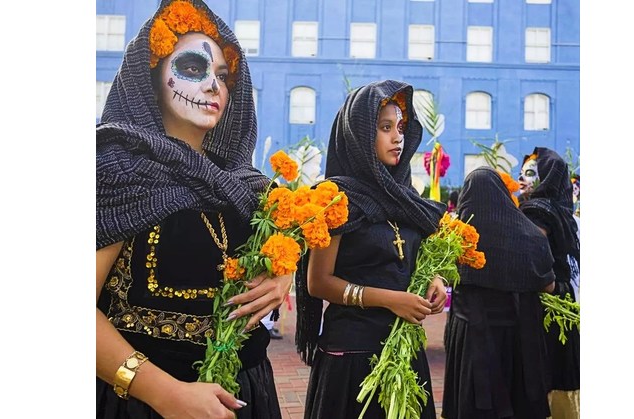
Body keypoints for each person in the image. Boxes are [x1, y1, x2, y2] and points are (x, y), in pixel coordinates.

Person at [95, 1, 289, 418]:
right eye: (192, 68)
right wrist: (165, 393)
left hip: (247, 392)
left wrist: (282, 272)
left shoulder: (245, 184)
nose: (214, 86)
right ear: (149, 77)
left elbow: (280, 242)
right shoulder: (114, 172)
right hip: (145, 403)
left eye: (222, 75)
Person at [294, 81, 448, 419]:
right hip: (353, 356)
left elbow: (409, 254)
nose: (397, 138)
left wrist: (432, 278)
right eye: (385, 128)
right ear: (359, 134)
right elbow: (317, 283)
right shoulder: (335, 198)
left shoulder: (403, 195)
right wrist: (391, 299)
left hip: (402, 349)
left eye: (401, 128)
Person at [442, 167, 556, 419]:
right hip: (520, 341)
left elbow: (440, 279)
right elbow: (549, 285)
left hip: (473, 340)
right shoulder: (531, 237)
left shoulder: (456, 241)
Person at [517, 148, 581, 419]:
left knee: (545, 371)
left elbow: (533, 263)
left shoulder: (536, 213)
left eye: (530, 174)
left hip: (545, 307)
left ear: (549, 178)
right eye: (521, 173)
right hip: (568, 306)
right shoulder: (566, 212)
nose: (521, 179)